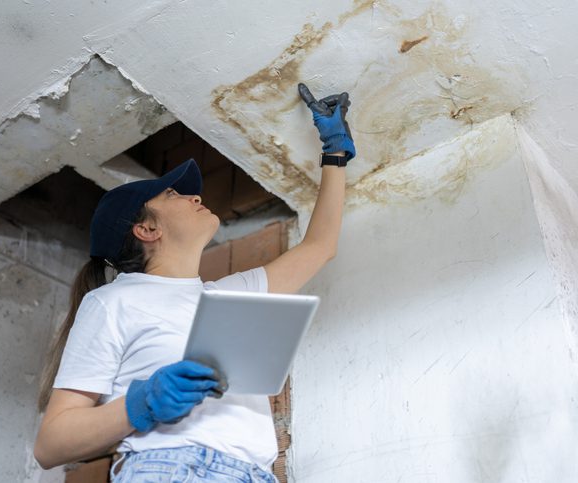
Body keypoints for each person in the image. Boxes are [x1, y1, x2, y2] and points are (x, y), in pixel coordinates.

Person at [33, 83, 356, 482]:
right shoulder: (111, 302)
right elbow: (51, 445)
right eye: (173, 193)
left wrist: (334, 152)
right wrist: (144, 403)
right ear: (147, 229)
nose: (194, 197)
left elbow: (320, 246)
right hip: (170, 468)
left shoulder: (229, 297)